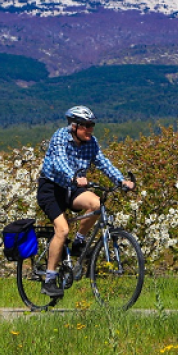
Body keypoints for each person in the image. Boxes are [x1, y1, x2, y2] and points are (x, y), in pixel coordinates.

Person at [37, 106, 134, 297]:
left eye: (92, 125)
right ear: (74, 126)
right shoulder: (60, 137)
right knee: (62, 230)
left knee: (97, 204)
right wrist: (73, 176)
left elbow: (103, 163)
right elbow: (59, 162)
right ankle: (49, 280)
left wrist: (121, 181)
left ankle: (79, 241)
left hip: (72, 188)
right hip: (51, 189)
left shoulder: (91, 143)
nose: (90, 129)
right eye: (86, 126)